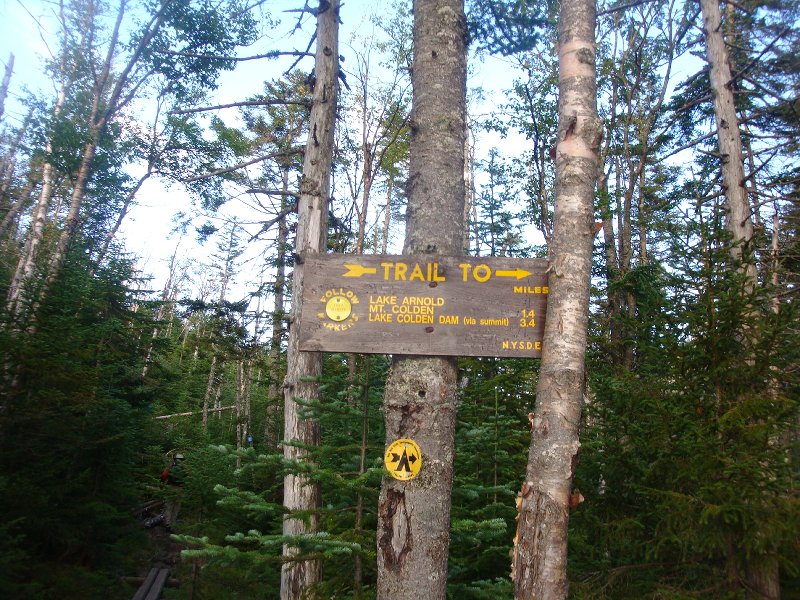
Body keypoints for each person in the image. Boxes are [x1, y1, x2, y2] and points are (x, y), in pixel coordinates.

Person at [159, 453, 186, 529]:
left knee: (169, 506)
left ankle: (167, 524)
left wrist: (161, 484)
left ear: (174, 459)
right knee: (176, 507)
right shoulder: (185, 468)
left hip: (170, 488)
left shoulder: (170, 466)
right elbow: (189, 478)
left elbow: (163, 476)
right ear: (182, 460)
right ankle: (173, 525)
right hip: (180, 489)